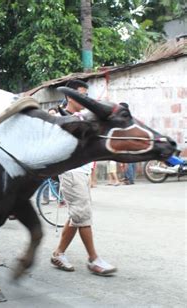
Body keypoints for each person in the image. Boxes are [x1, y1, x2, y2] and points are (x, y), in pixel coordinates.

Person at [51, 79, 117, 276]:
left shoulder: (86, 116)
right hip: (71, 171)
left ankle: (58, 253)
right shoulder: (57, 116)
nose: (86, 100)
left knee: (77, 215)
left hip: (84, 170)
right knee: (83, 215)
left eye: (87, 96)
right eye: (82, 95)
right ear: (70, 96)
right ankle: (93, 259)